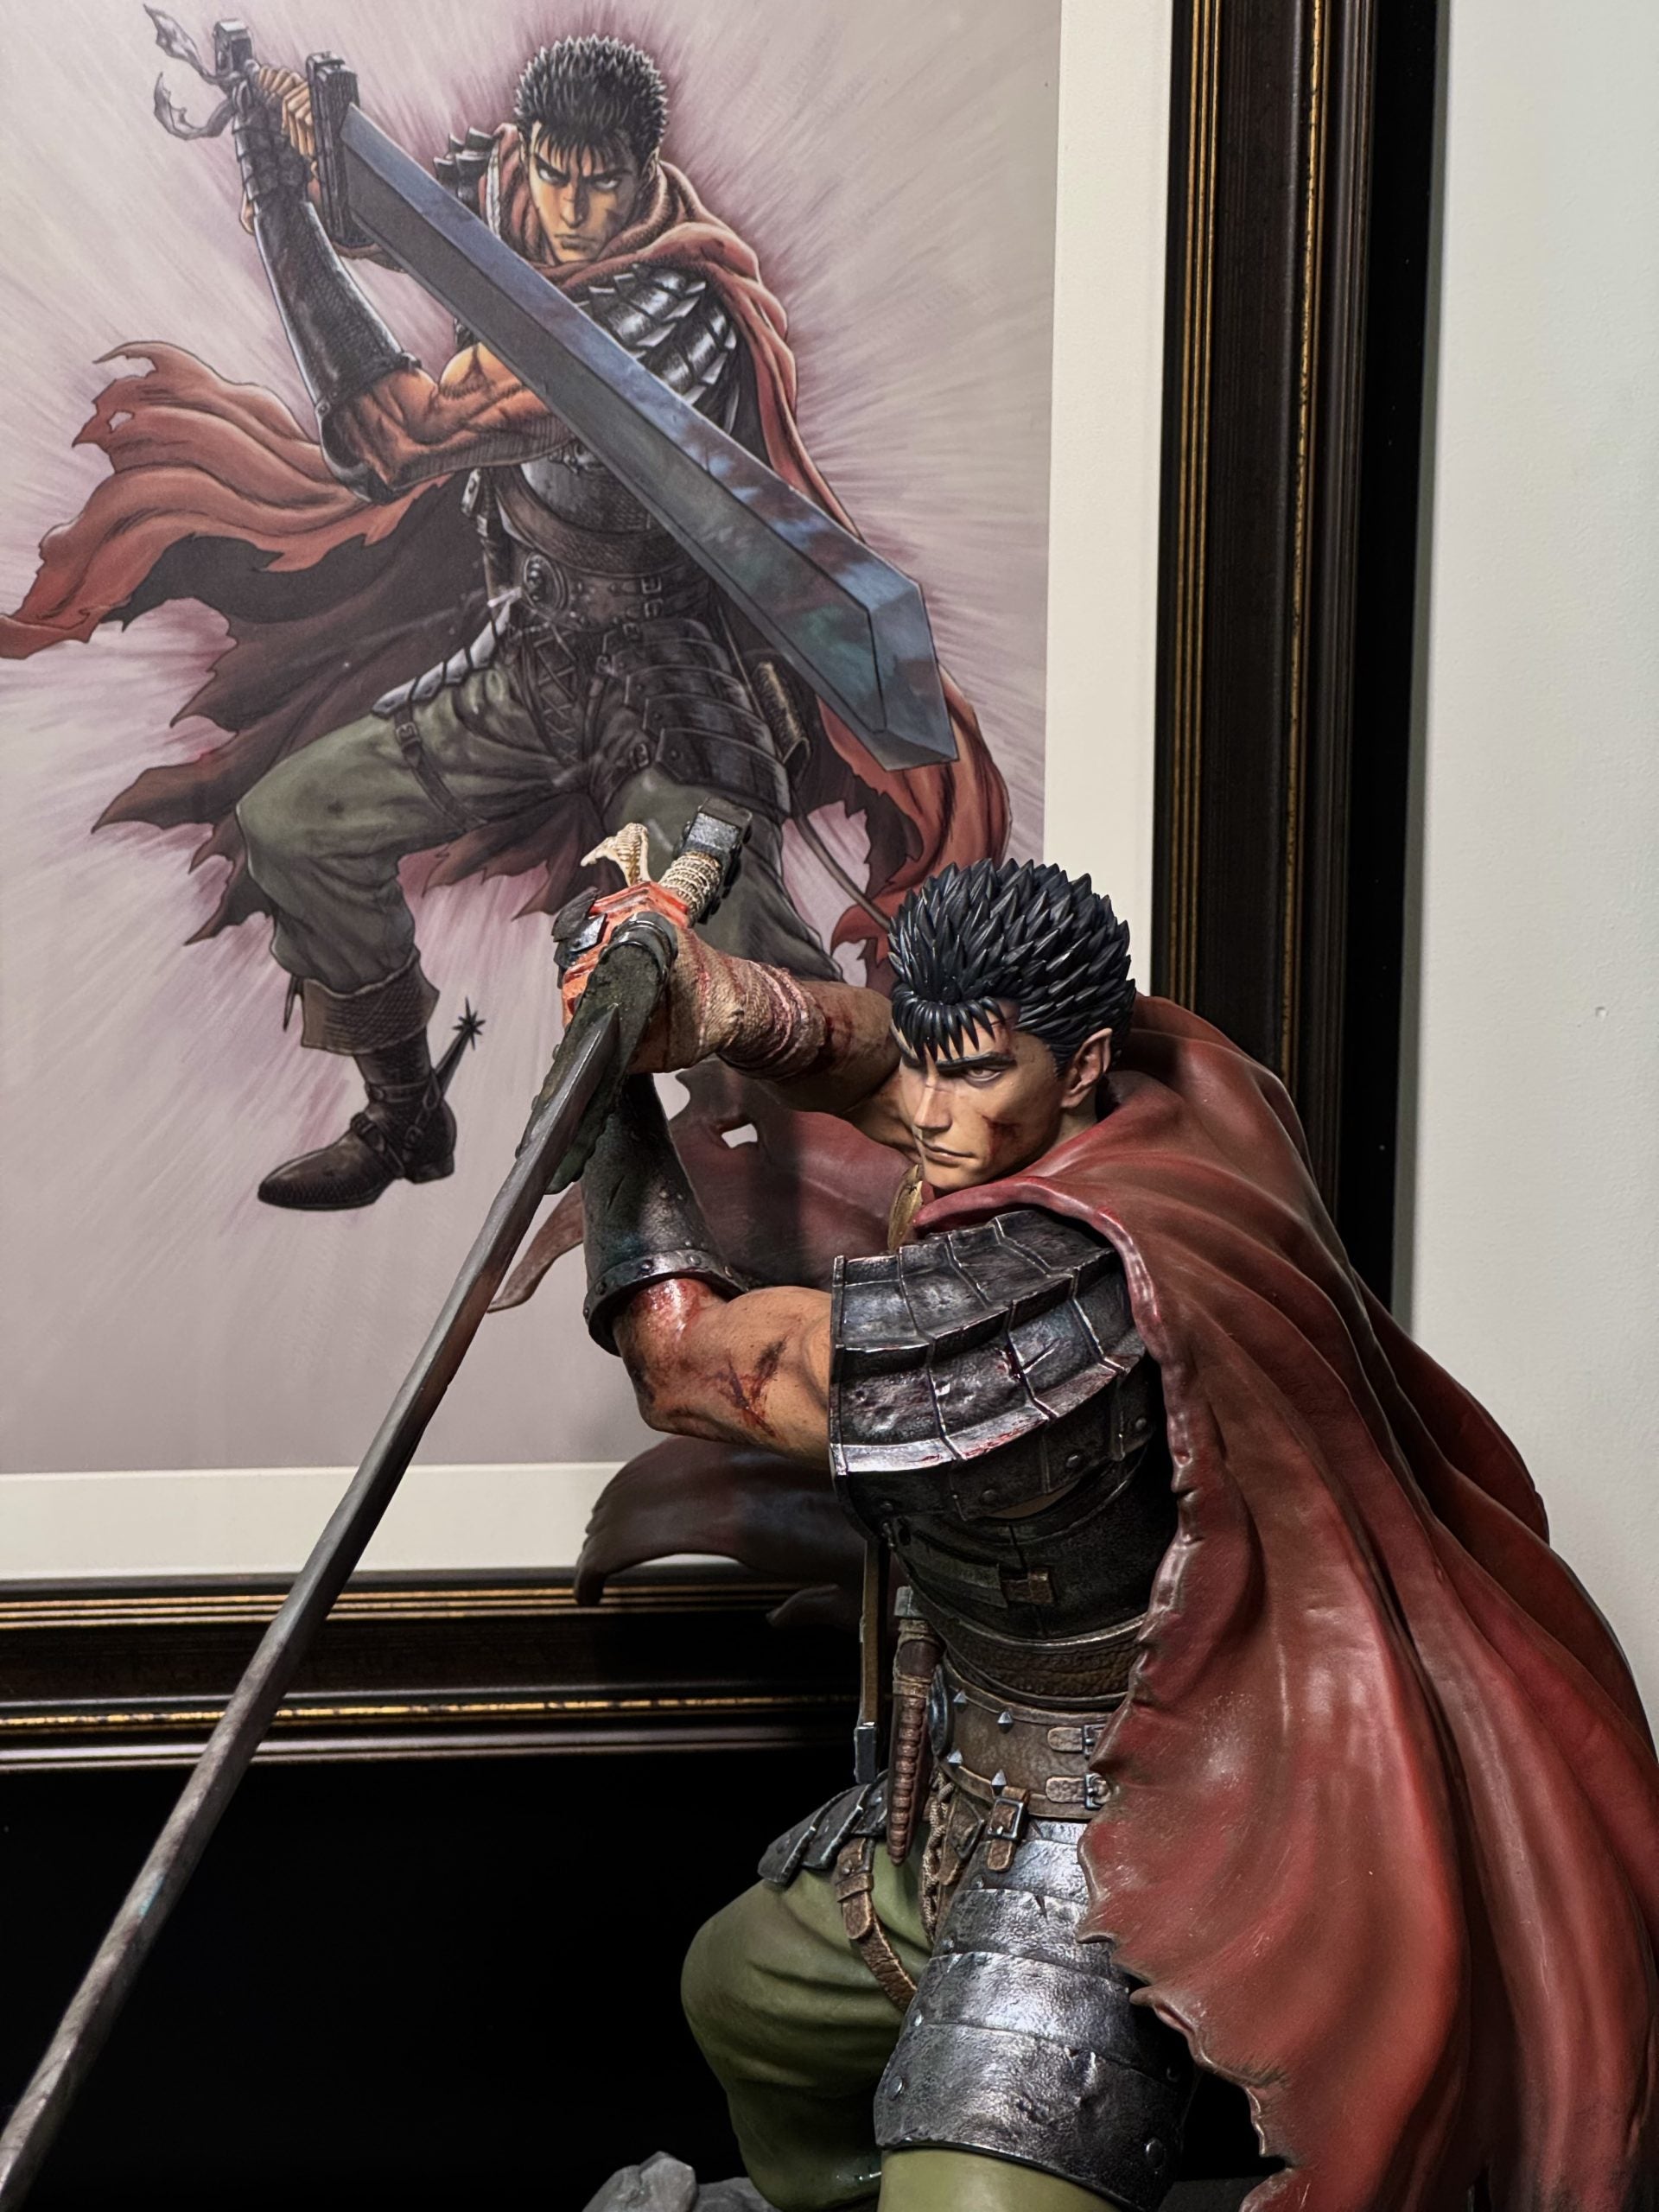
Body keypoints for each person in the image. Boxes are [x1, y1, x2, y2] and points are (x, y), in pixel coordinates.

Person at [566, 853, 1659, 2212]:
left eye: (976, 1076)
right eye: (927, 1061)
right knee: (745, 1993)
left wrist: (604, 1097)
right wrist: (713, 1000)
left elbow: (688, 1371)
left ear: (1079, 1063)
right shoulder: (1188, 1098)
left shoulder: (1030, 1311)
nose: (928, 1112)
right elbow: (892, 1054)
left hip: (1109, 1843)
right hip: (947, 1785)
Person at [2, 33, 1006, 1212]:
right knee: (295, 822)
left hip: (669, 692)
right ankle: (404, 1112)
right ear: (530, 153)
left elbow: (400, 438)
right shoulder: (511, 196)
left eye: (602, 184)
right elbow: (398, 214)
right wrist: (289, 120)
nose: (573, 210)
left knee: (749, 973)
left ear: (646, 174)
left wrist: (279, 212)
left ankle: (893, 1198)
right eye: (555, 174)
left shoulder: (670, 313)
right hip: (526, 667)